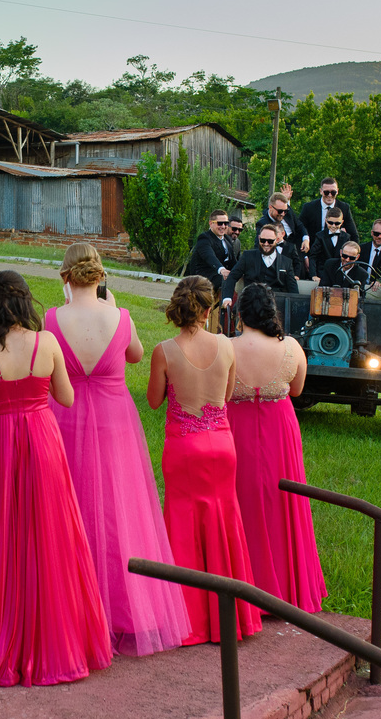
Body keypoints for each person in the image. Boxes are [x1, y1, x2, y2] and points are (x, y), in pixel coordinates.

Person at [0, 270, 112, 686]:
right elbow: (67, 397)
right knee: (48, 536)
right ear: (26, 302)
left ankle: (1, 636)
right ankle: (52, 638)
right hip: (42, 439)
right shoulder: (48, 343)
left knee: (1, 536)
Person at [45, 244, 190, 656]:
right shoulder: (120, 317)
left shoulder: (52, 318)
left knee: (70, 505)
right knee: (118, 509)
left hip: (66, 417)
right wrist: (117, 311)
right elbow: (136, 355)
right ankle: (125, 609)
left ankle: (72, 607)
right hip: (113, 420)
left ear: (65, 277)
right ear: (101, 275)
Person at [146, 275, 261, 645]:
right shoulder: (227, 347)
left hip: (184, 447)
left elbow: (153, 400)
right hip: (222, 446)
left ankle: (187, 620)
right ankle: (232, 619)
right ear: (210, 309)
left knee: (182, 523)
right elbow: (225, 397)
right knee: (223, 522)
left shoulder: (164, 350)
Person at [227, 284, 327, 613]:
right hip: (279, 430)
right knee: (283, 501)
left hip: (236, 428)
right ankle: (286, 589)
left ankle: (241, 588)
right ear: (272, 312)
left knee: (240, 500)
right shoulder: (293, 348)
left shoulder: (226, 348)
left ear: (240, 314)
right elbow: (297, 390)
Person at [221, 224, 299, 307]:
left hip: (276, 305)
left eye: (270, 241)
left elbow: (293, 289)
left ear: (276, 240)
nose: (266, 244)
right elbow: (232, 276)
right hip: (250, 303)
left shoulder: (286, 262)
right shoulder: (248, 256)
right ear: (259, 239)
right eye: (263, 240)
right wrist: (227, 298)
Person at [187, 209, 237, 291]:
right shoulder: (204, 238)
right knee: (227, 281)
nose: (223, 226)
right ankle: (225, 303)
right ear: (211, 223)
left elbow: (233, 262)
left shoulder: (227, 239)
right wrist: (222, 270)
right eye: (220, 223)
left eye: (226, 223)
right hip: (204, 276)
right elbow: (210, 257)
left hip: (220, 275)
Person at [308, 207, 352, 280]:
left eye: (337, 223)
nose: (333, 226)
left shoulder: (346, 237)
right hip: (322, 274)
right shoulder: (320, 236)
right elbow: (313, 257)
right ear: (326, 221)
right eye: (330, 223)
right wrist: (313, 275)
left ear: (342, 222)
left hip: (340, 275)